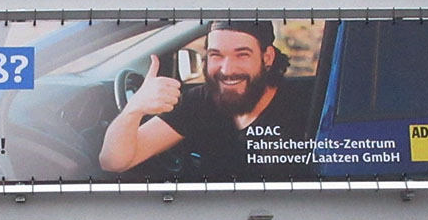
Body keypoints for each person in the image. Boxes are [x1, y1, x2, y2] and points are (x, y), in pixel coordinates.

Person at [98, 20, 311, 179]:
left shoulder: (304, 104)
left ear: (267, 58)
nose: (227, 70)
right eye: (216, 55)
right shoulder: (199, 102)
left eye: (242, 55)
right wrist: (134, 110)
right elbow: (114, 162)